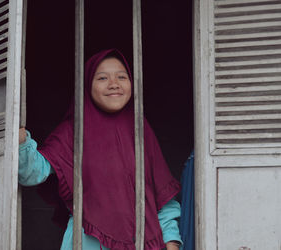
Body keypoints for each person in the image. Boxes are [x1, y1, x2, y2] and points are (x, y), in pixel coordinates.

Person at [18, 49, 183, 250]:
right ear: (87, 86)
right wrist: (21, 141)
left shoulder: (140, 130)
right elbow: (31, 173)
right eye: (103, 78)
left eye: (122, 77)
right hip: (88, 243)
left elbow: (160, 195)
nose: (114, 84)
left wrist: (172, 242)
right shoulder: (73, 131)